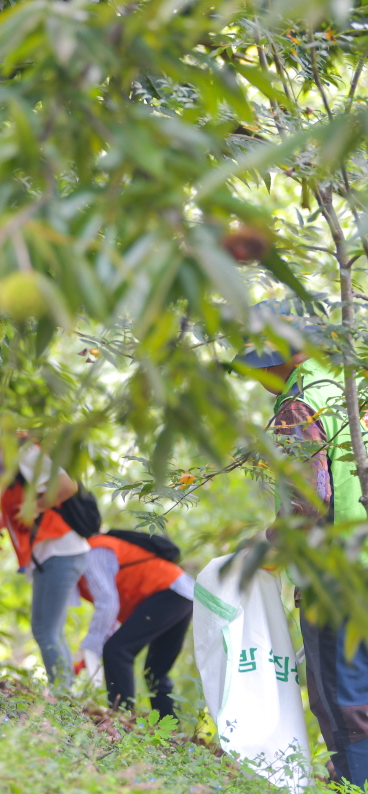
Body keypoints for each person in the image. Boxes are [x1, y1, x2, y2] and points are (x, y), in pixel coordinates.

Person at [235, 319, 368, 789]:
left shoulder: (300, 403)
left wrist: (264, 547)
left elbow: (307, 504)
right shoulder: (353, 390)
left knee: (344, 697)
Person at [0, 418, 88, 688]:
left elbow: (67, 486)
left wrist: (37, 507)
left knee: (46, 630)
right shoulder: (14, 466)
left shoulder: (27, 454)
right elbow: (16, 506)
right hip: (51, 554)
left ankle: (63, 695)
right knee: (47, 629)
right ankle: (65, 692)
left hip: (61, 551)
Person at [76, 532, 194, 717]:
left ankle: (122, 717)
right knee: (155, 672)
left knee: (117, 651)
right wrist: (89, 656)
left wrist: (91, 647)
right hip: (184, 593)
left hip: (169, 590)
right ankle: (171, 726)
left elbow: (108, 605)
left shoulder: (93, 552)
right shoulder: (93, 555)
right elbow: (110, 621)